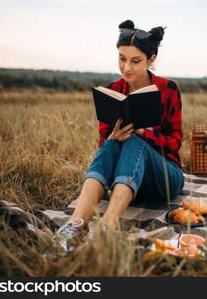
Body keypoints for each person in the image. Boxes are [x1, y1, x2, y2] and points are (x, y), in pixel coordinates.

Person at [53, 20, 185, 252]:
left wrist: (146, 134)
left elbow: (175, 142)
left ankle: (108, 224)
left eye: (136, 61)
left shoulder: (168, 89)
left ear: (151, 59)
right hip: (126, 181)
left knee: (135, 140)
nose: (127, 68)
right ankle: (76, 223)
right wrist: (112, 137)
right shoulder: (113, 89)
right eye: (122, 59)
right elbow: (104, 148)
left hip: (165, 177)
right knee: (112, 144)